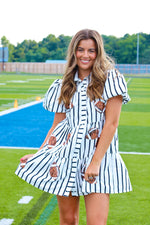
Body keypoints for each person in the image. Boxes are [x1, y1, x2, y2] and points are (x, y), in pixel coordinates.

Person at [15, 29, 132, 225]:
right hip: (66, 158)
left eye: (91, 51)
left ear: (98, 53)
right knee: (68, 220)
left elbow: (111, 124)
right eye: (81, 50)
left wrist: (95, 162)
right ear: (74, 52)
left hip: (98, 159)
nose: (85, 55)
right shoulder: (64, 85)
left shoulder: (111, 80)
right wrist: (39, 154)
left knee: (96, 223)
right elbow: (57, 126)